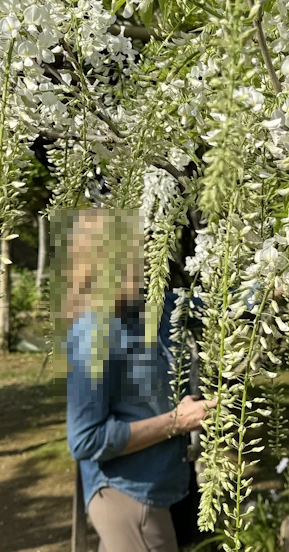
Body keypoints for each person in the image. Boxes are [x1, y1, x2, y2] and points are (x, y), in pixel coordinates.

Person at [63, 209, 215, 552]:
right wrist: (177, 421)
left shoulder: (150, 308)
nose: (145, 257)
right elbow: (85, 440)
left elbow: (224, 304)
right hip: (127, 496)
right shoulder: (94, 333)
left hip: (157, 489)